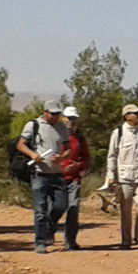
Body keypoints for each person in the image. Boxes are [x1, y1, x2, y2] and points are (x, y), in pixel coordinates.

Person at [13, 102, 69, 254]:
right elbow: (20, 145)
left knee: (61, 205)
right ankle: (40, 242)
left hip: (57, 173)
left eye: (57, 114)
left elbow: (68, 149)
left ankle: (48, 228)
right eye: (53, 113)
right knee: (40, 209)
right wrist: (33, 155)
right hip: (39, 173)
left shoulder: (62, 127)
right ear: (45, 112)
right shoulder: (33, 125)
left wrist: (62, 158)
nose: (55, 117)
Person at [106, 103, 138, 247]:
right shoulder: (118, 133)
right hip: (124, 178)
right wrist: (111, 176)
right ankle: (126, 240)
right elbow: (112, 156)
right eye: (135, 113)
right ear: (127, 116)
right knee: (125, 210)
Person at [59, 106, 91, 250]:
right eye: (69, 118)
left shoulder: (79, 138)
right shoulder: (56, 135)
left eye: (74, 119)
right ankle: (46, 234)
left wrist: (78, 166)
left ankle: (70, 241)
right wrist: (60, 167)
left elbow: (86, 158)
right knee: (55, 208)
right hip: (56, 179)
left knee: (73, 208)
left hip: (74, 179)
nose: (71, 121)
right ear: (63, 118)